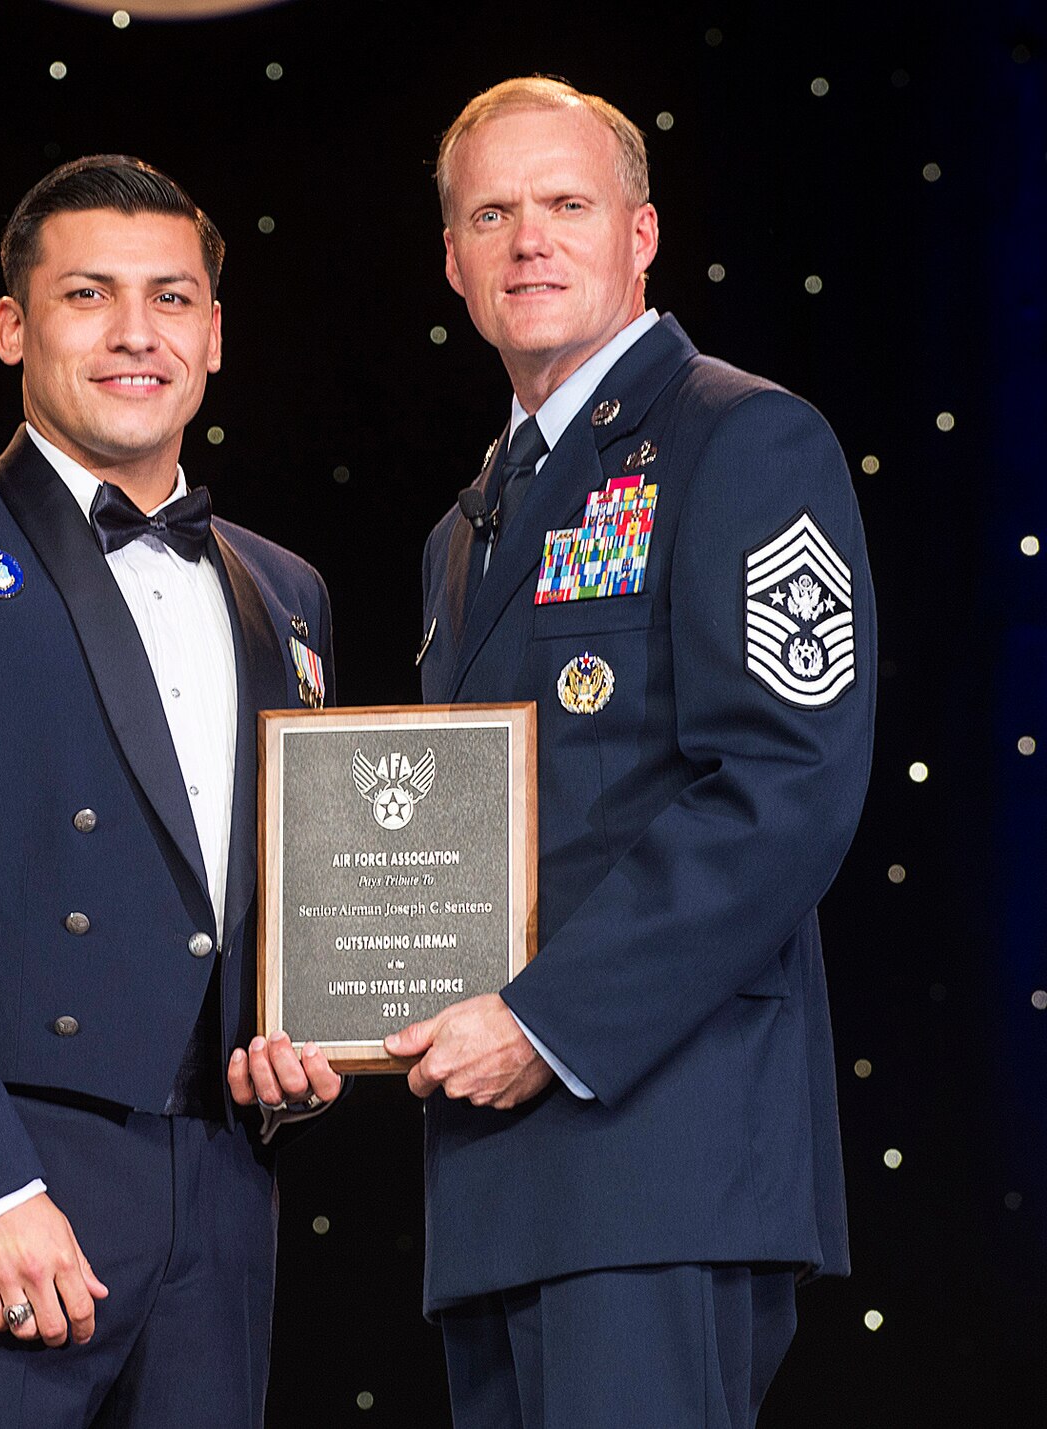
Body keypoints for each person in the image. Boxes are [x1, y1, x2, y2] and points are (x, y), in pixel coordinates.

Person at [0, 155, 342, 1426]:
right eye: (87, 295)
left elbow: (283, 882)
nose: (135, 334)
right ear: (11, 327)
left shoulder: (284, 588)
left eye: (171, 298)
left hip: (222, 1185)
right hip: (10, 1175)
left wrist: (307, 1046)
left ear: (213, 333)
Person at [390, 77, 875, 1425]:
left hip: (659, 1147)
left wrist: (547, 1021)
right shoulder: (468, 522)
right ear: (453, 261)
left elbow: (786, 785)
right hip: (498, 1170)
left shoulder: (742, 437)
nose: (528, 240)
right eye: (492, 212)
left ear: (641, 234)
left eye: (565, 204)